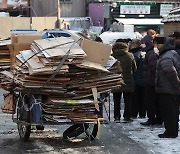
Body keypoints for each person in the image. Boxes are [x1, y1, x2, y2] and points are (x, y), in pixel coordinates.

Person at [155, 36, 180, 138]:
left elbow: (170, 72)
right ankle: (172, 130)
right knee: (173, 111)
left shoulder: (166, 56)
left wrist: (177, 84)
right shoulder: (173, 54)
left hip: (167, 88)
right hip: (170, 88)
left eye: (158, 44)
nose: (156, 46)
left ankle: (170, 132)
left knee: (169, 111)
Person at [140, 33, 162, 126]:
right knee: (153, 102)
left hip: (151, 82)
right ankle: (155, 118)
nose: (142, 45)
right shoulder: (150, 53)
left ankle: (152, 119)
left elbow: (154, 68)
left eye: (144, 43)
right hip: (151, 81)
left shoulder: (151, 54)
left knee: (151, 102)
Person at [112, 41, 137, 123]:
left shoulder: (112, 56)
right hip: (128, 80)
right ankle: (127, 116)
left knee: (116, 100)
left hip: (116, 80)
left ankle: (116, 117)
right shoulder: (130, 55)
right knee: (128, 100)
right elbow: (134, 68)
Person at [130, 39, 146, 118]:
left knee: (135, 98)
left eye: (132, 44)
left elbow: (133, 68)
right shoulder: (143, 53)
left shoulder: (135, 55)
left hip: (136, 79)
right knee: (142, 98)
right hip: (143, 79)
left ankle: (134, 114)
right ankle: (142, 114)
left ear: (135, 45)